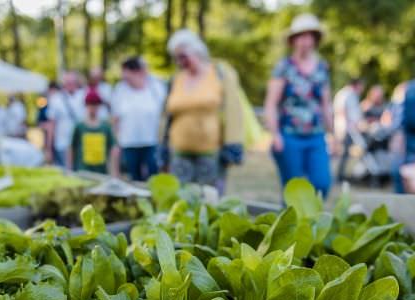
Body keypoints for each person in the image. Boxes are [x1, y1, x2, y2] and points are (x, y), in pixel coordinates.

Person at [163, 29, 244, 191]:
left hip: (211, 153)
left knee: (209, 198)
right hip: (179, 152)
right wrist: (162, 147)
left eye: (183, 56)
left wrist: (233, 144)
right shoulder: (177, 78)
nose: (180, 62)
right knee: (181, 199)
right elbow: (167, 116)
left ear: (196, 50)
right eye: (176, 58)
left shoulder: (220, 73)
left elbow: (234, 111)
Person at [264, 13, 333, 198]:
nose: (305, 41)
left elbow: (326, 104)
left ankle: (312, 221)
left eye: (310, 36)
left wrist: (332, 133)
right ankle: (291, 224)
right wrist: (275, 135)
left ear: (315, 39)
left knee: (322, 183)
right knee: (293, 188)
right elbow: (271, 103)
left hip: (316, 135)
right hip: (289, 135)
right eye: (301, 36)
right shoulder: (284, 67)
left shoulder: (322, 67)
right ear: (293, 40)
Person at [111, 56, 165, 181]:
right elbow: (115, 119)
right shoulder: (120, 90)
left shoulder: (155, 87)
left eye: (126, 73)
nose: (124, 77)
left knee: (154, 176)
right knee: (133, 178)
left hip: (152, 142)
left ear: (136, 71)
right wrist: (116, 142)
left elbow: (164, 114)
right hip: (129, 143)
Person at [70, 90, 119, 175]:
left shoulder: (105, 127)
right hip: (83, 171)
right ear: (86, 105)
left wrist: (114, 171)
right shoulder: (79, 127)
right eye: (90, 105)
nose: (93, 108)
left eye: (95, 105)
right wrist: (70, 169)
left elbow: (113, 148)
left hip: (101, 171)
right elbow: (72, 148)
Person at [46, 71, 85, 168]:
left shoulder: (84, 95)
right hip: (62, 144)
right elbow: (51, 125)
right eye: (68, 82)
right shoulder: (56, 99)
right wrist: (49, 148)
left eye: (73, 81)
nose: (70, 84)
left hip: (81, 144)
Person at [333, 78, 365, 181]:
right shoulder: (346, 94)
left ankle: (343, 174)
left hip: (350, 128)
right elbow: (341, 110)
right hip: (346, 128)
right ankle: (340, 175)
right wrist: (349, 125)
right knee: (344, 152)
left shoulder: (351, 94)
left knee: (346, 153)